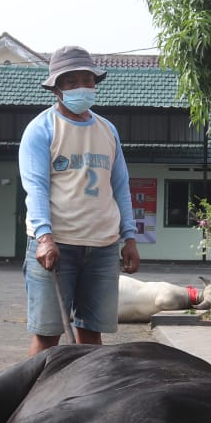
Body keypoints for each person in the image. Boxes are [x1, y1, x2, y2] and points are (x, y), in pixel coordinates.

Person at [18, 45, 141, 356]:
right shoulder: (41, 129)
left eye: (86, 80)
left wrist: (129, 238)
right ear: (57, 88)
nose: (80, 87)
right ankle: (32, 400)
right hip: (57, 246)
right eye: (70, 82)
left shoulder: (107, 130)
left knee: (91, 335)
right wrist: (44, 237)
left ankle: (86, 400)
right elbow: (36, 188)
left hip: (102, 247)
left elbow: (121, 186)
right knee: (47, 338)